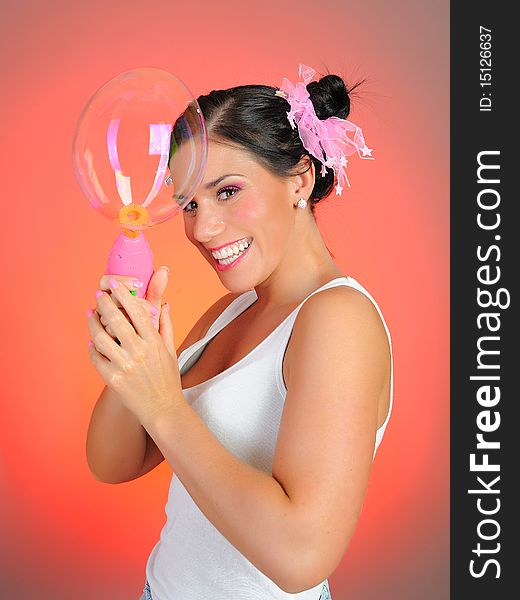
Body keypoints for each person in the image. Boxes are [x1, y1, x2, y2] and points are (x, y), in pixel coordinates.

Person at [85, 64, 393, 600]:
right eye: (188, 205)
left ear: (299, 179)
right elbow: (114, 463)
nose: (202, 229)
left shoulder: (338, 320)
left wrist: (162, 403)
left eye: (227, 191)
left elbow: (300, 558)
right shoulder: (229, 312)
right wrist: (130, 357)